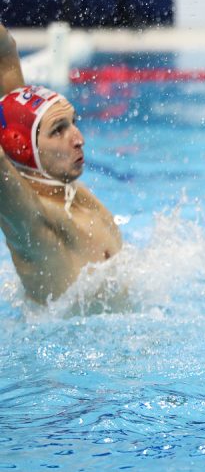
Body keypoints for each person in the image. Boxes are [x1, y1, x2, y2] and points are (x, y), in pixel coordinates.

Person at [0, 23, 121, 304]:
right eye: (58, 130)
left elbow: (5, 52)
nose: (78, 139)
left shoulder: (63, 187)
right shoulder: (35, 222)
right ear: (24, 147)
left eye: (73, 122)